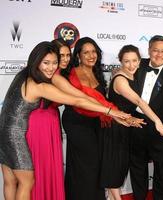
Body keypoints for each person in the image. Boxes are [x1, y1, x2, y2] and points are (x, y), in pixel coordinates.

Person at [0, 41, 128, 200]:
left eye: (54, 63)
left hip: (3, 134)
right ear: (36, 61)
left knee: (10, 182)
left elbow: (79, 97)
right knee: (27, 183)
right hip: (15, 138)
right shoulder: (39, 86)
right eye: (46, 63)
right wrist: (110, 111)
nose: (51, 67)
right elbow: (77, 101)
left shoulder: (24, 74)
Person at [100, 45, 163, 200]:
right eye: (126, 61)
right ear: (120, 61)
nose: (131, 65)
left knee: (121, 168)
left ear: (140, 60)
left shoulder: (136, 74)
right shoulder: (120, 79)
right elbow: (138, 101)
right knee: (114, 169)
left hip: (127, 127)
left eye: (134, 60)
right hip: (115, 128)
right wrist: (157, 121)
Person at [61, 37, 114, 200]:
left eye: (94, 52)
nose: (91, 56)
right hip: (76, 122)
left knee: (94, 164)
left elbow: (101, 100)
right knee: (85, 164)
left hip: (95, 123)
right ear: (78, 55)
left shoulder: (98, 72)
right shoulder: (69, 73)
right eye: (86, 52)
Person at [129, 35, 163, 200]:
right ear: (149, 50)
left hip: (159, 127)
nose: (159, 54)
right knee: (137, 165)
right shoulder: (138, 64)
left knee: (161, 169)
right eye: (156, 50)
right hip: (136, 122)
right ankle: (139, 197)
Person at [25, 38, 72, 200]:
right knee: (40, 169)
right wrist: (109, 110)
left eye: (67, 55)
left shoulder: (57, 74)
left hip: (50, 121)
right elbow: (78, 99)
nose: (64, 59)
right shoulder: (52, 76)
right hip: (39, 125)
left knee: (49, 168)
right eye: (61, 56)